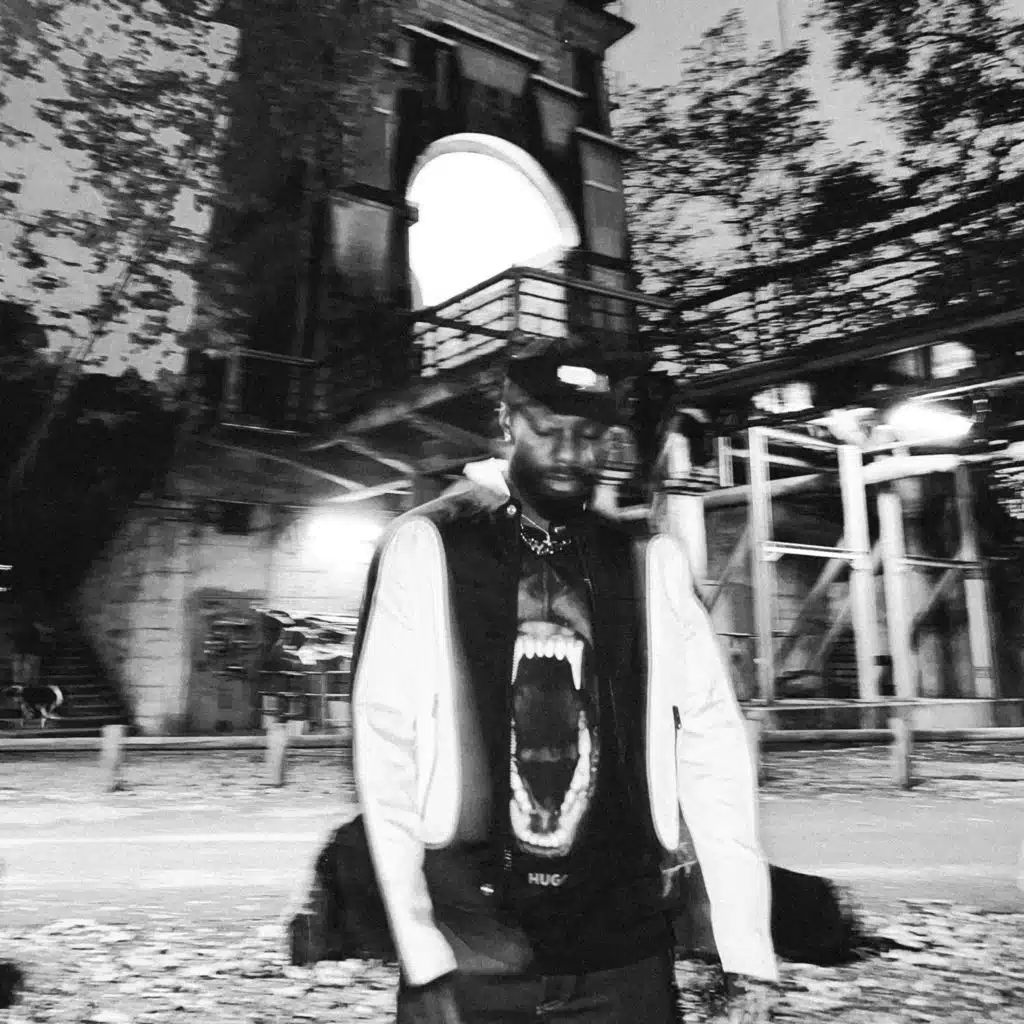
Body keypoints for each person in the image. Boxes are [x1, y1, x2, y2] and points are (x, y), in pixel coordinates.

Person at [352, 337, 778, 1023]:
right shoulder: (429, 546)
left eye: (590, 435)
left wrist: (745, 945)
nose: (572, 453)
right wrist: (419, 944)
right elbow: (384, 742)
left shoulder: (648, 562)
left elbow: (712, 742)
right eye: (549, 429)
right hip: (473, 952)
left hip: (624, 952)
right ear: (507, 421)